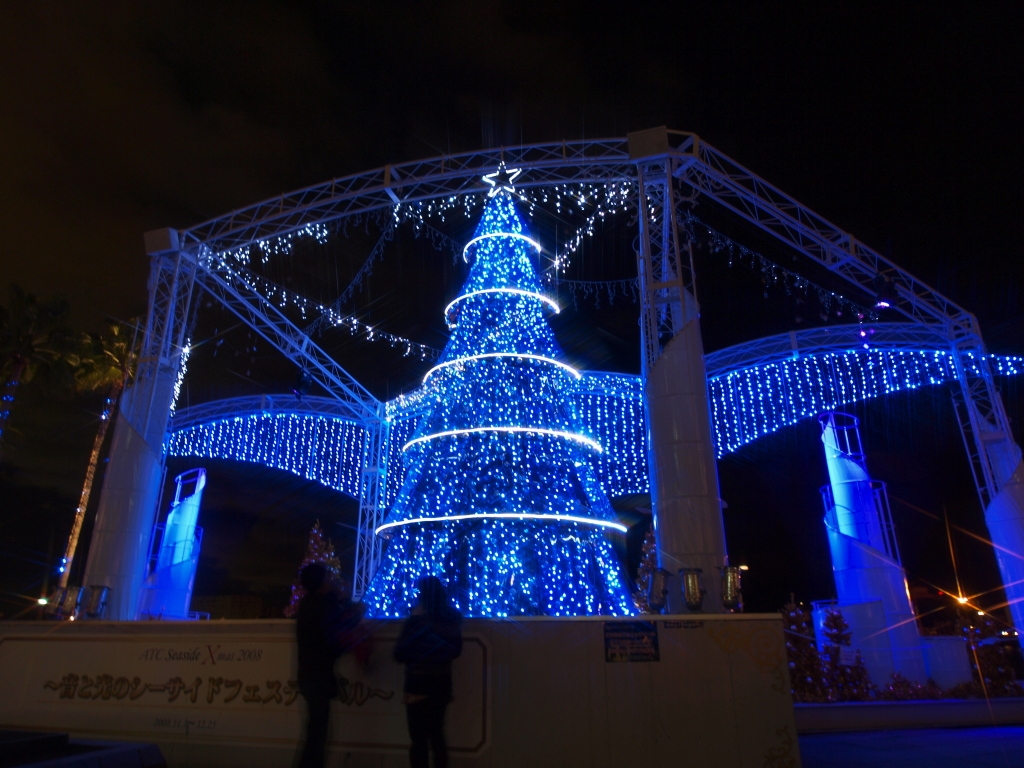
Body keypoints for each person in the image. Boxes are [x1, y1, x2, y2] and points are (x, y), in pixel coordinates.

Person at [295, 562, 363, 768]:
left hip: (311, 675)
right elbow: (336, 636)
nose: (332, 580)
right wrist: (356, 614)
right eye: (328, 577)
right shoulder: (321, 607)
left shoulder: (309, 605)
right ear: (322, 583)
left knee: (316, 732)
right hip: (318, 677)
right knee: (318, 734)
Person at [393, 576, 463, 768]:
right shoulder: (452, 617)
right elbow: (456, 650)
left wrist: (415, 620)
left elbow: (399, 653)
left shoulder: (415, 620)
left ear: (423, 595)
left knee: (418, 739)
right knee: (437, 735)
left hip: (418, 684)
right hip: (442, 684)